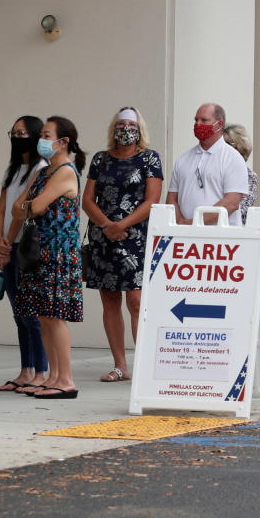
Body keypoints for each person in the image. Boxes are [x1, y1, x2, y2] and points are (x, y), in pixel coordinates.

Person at [81, 107, 164, 383]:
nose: (125, 129)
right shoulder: (101, 159)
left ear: (139, 128)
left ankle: (143, 364)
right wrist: (107, 226)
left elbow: (152, 200)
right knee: (110, 299)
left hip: (136, 237)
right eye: (120, 124)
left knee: (137, 300)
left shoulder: (150, 158)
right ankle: (120, 365)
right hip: (103, 237)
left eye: (130, 124)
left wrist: (123, 225)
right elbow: (87, 199)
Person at [6, 117, 86, 399]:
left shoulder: (65, 171)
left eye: (47, 134)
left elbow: (35, 206)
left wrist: (29, 207)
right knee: (43, 314)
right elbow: (18, 208)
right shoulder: (43, 172)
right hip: (39, 252)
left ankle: (65, 378)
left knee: (55, 316)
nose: (42, 139)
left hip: (58, 251)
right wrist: (28, 207)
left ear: (63, 142)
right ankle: (53, 375)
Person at [0, 117, 47, 391]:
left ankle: (41, 372)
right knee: (18, 313)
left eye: (23, 133)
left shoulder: (40, 168)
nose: (17, 137)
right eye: (13, 133)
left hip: (25, 247)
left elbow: (20, 209)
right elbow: (2, 209)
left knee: (32, 314)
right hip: (8, 246)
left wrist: (9, 241)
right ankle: (25, 370)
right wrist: (0, 244)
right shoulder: (12, 169)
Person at [165, 103, 249, 226]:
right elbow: (172, 198)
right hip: (184, 237)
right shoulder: (183, 158)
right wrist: (181, 223)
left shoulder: (232, 158)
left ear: (219, 125)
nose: (198, 124)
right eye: (196, 120)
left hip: (220, 240)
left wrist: (194, 223)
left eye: (204, 120)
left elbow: (231, 202)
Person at [222, 123, 258, 224]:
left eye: (226, 144)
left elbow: (242, 210)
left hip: (233, 232)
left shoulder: (249, 175)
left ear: (240, 147)